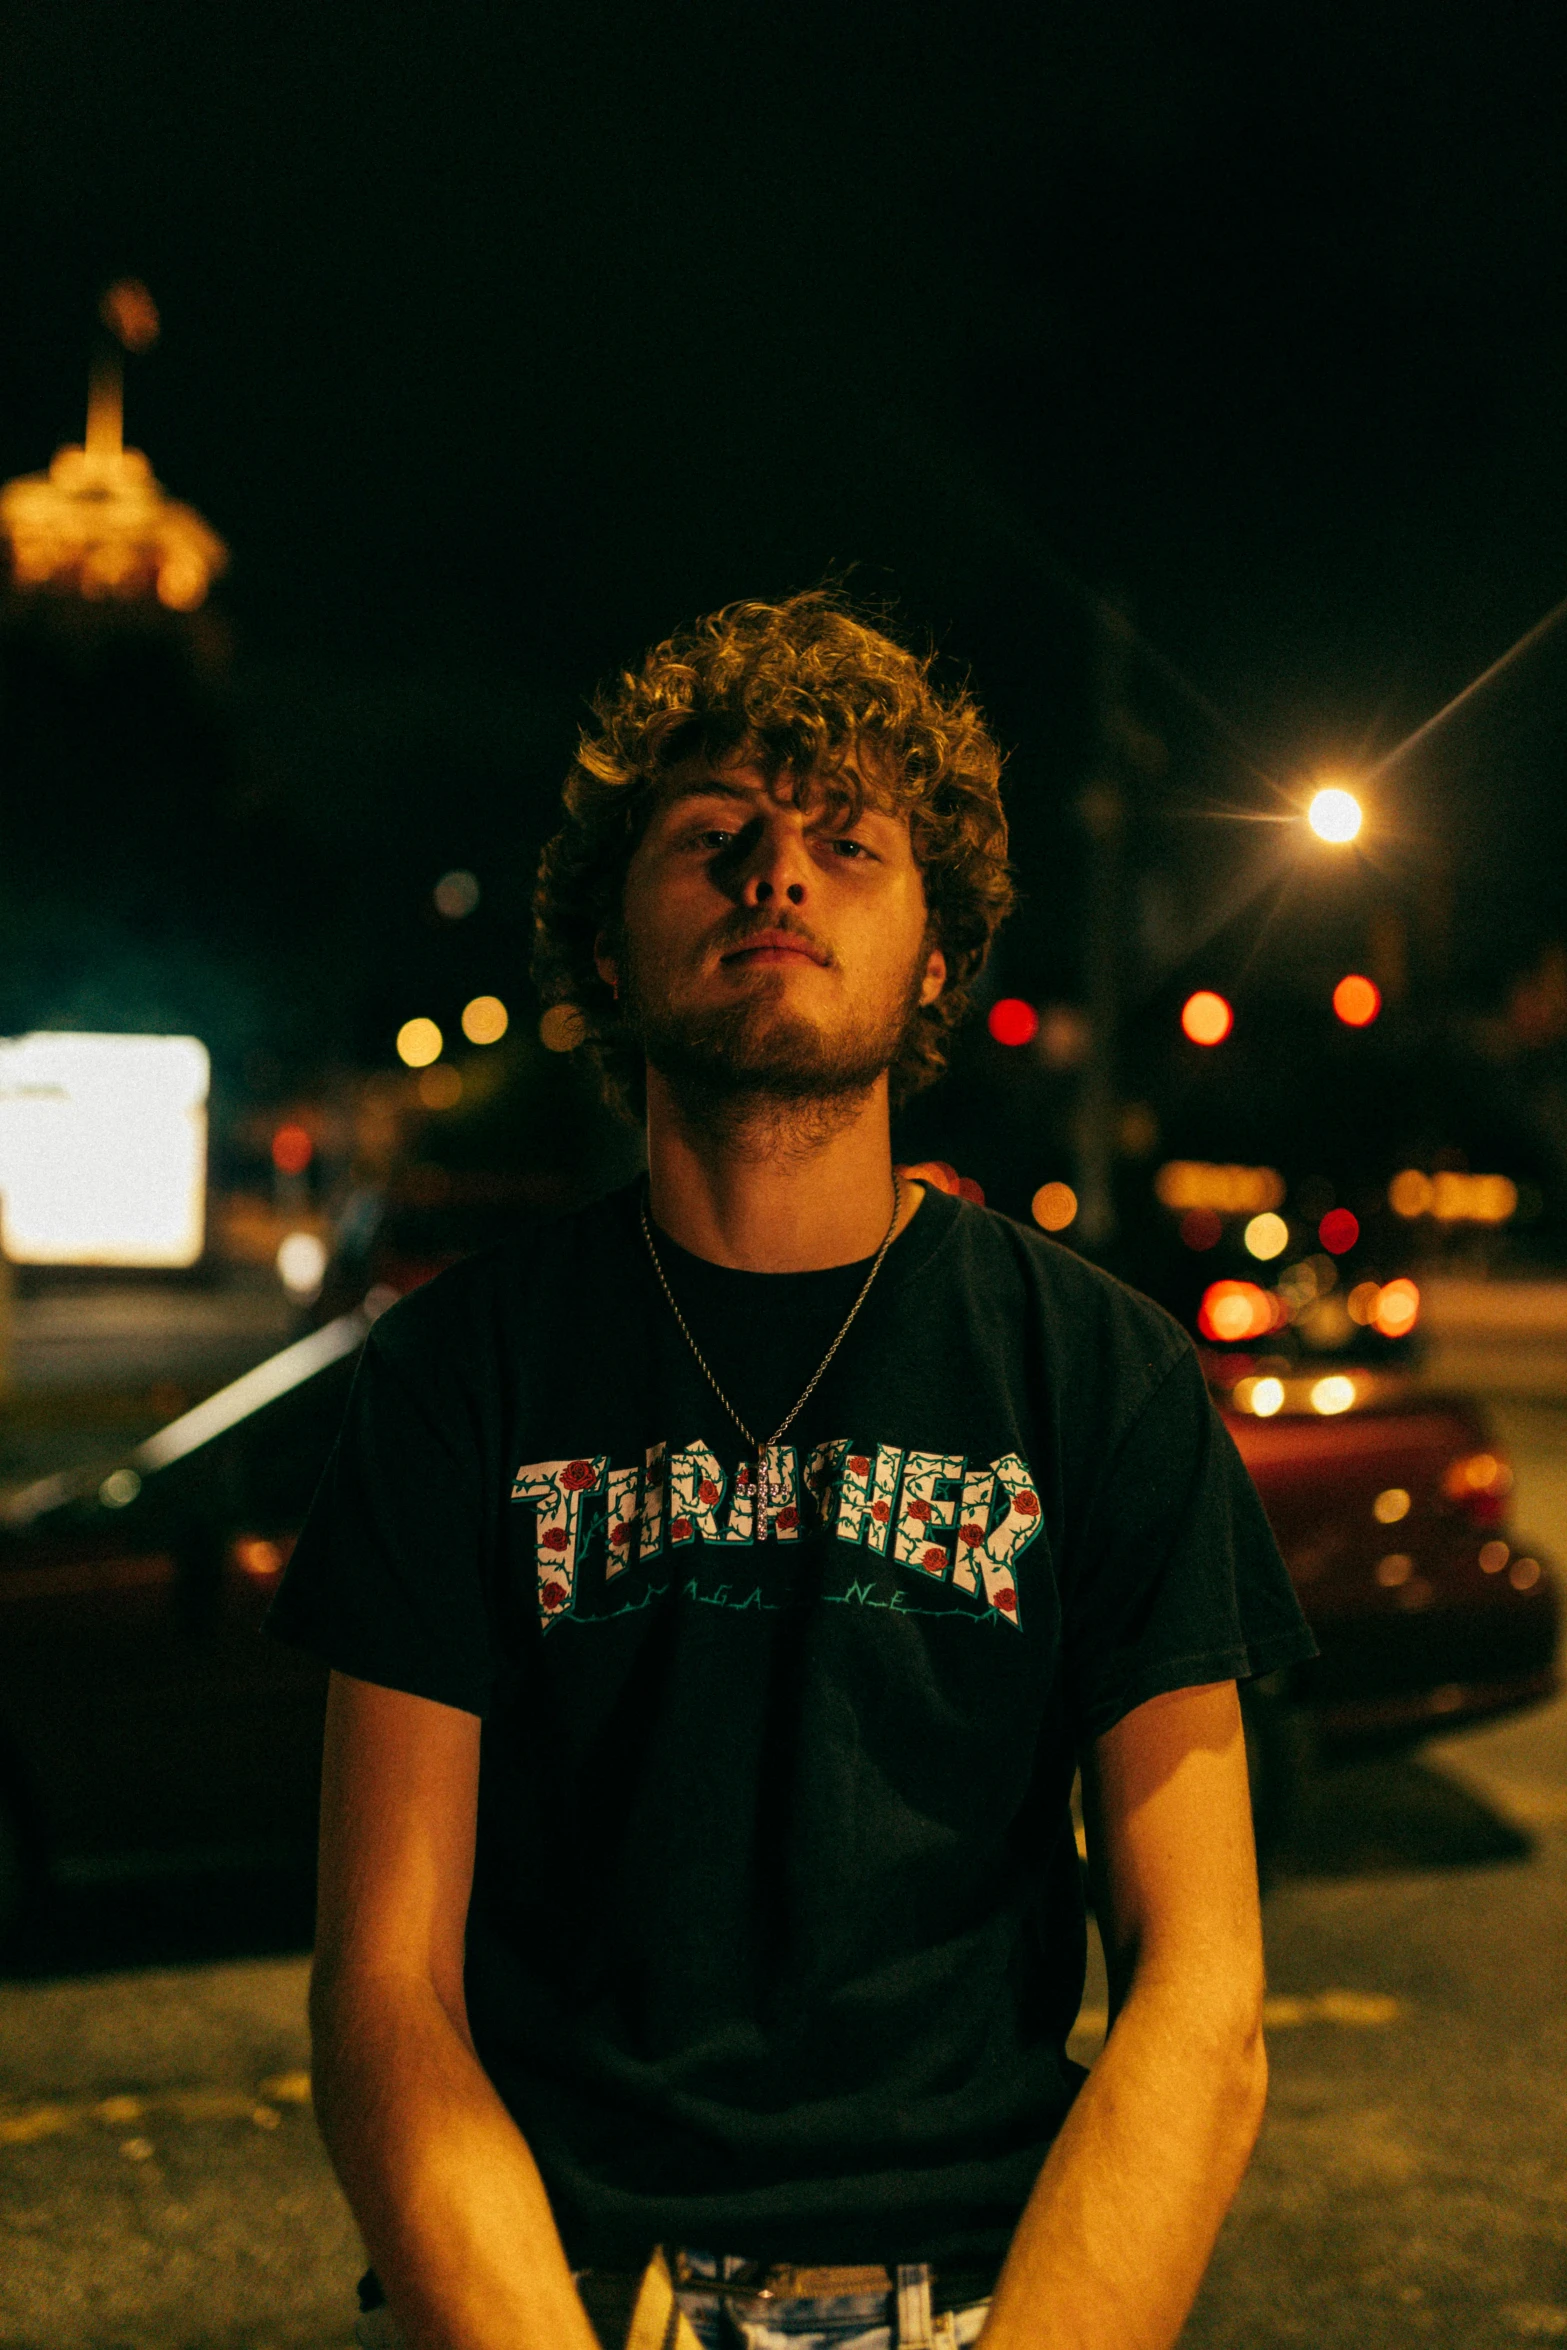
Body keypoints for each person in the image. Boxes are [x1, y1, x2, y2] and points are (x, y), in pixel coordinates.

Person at [267, 591, 1316, 2350]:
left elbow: (1202, 1989)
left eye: (846, 841)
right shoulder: (459, 1373)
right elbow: (382, 1992)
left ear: (934, 952)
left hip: (994, 2289)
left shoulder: (1099, 1372)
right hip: (553, 2285)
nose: (777, 875)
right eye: (711, 839)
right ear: (607, 944)